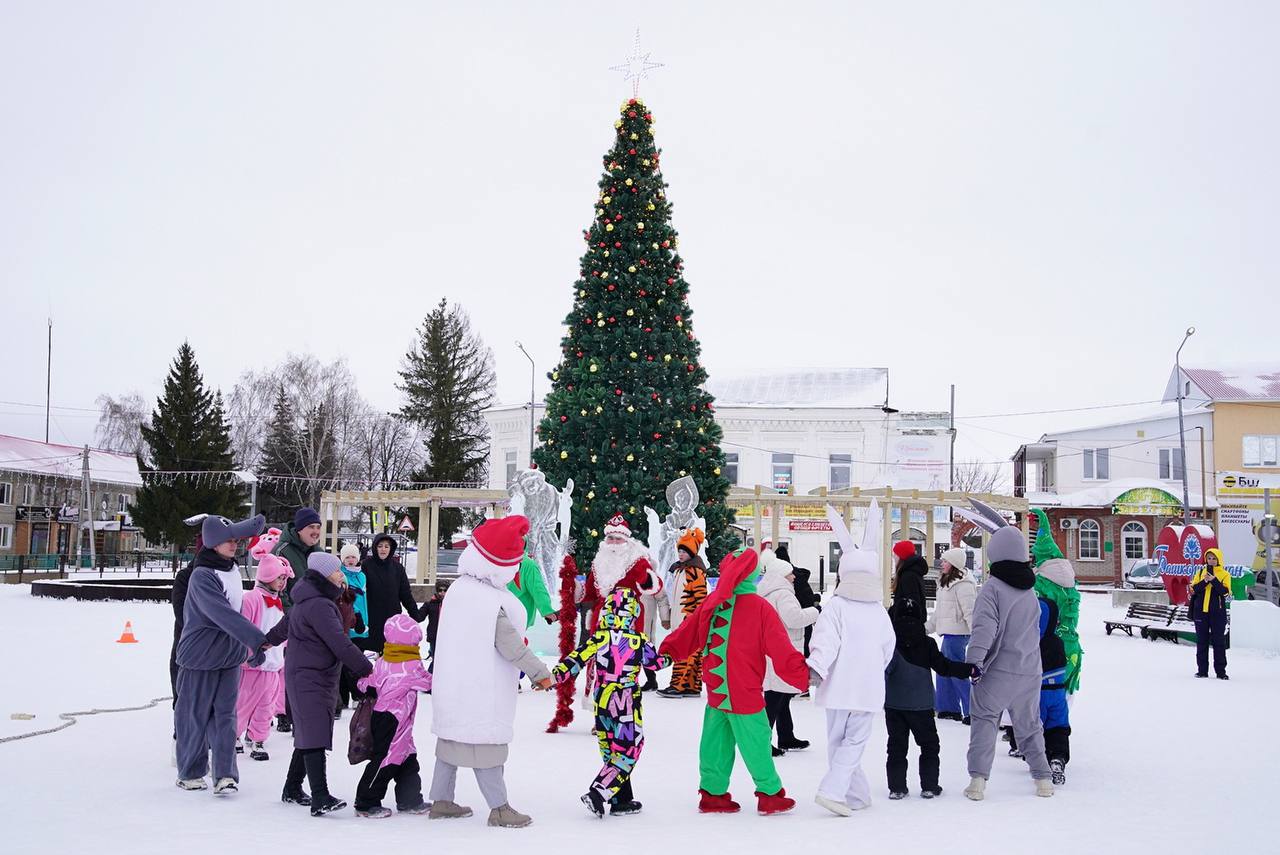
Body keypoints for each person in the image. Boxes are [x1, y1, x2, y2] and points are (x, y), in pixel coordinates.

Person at [660, 548, 809, 816]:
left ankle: (713, 793)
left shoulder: (714, 602)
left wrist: (668, 651)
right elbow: (780, 648)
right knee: (757, 742)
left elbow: (687, 631)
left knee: (715, 743)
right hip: (744, 690)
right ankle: (770, 794)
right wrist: (802, 674)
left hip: (717, 689)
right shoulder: (759, 607)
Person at [429, 515, 552, 829]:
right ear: (500, 565)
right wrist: (540, 672)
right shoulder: (488, 601)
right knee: (485, 748)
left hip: (453, 686)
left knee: (450, 744)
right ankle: (499, 808)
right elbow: (510, 645)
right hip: (481, 690)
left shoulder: (459, 589)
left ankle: (442, 801)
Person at [174, 514, 279, 795]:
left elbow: (238, 613)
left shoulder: (232, 570)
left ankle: (225, 774)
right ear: (212, 543)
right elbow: (220, 614)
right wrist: (257, 640)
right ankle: (190, 771)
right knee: (194, 715)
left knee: (226, 717)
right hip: (200, 655)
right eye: (228, 540)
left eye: (235, 540)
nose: (234, 545)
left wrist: (250, 648)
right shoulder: (202, 576)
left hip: (230, 654)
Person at [960, 501, 1054, 801]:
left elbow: (984, 628)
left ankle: (977, 781)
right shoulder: (1030, 590)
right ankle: (1043, 779)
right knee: (1029, 727)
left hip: (998, 671)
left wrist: (973, 661)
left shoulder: (993, 588)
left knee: (985, 722)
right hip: (1029, 670)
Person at [552, 588, 672, 817]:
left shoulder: (600, 637)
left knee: (611, 750)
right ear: (633, 612)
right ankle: (599, 792)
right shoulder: (638, 640)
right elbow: (656, 664)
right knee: (629, 749)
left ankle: (621, 800)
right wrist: (671, 655)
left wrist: (556, 675)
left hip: (603, 699)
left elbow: (576, 658)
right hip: (626, 701)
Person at [806, 517, 897, 817]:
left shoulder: (836, 607)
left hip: (839, 685)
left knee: (837, 741)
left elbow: (825, 640)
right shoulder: (878, 611)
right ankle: (837, 792)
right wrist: (873, 668)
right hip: (868, 687)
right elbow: (888, 647)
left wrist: (817, 666)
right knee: (855, 741)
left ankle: (853, 794)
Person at [281, 552, 374, 817]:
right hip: (310, 676)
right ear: (324, 575)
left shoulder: (310, 599)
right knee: (315, 734)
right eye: (336, 571)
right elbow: (340, 643)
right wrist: (368, 670)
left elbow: (282, 628)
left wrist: (262, 642)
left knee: (309, 732)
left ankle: (292, 788)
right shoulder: (320, 605)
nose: (341, 574)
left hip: (312, 674)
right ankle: (320, 796)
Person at [885, 619, 975, 799]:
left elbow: (880, 670)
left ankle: (897, 788)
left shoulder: (889, 643)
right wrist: (969, 670)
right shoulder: (927, 643)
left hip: (894, 704)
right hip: (922, 705)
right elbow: (944, 667)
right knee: (929, 745)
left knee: (896, 746)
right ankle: (929, 786)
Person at [353, 614, 433, 818]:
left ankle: (410, 799)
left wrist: (363, 685)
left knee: (407, 757)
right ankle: (366, 801)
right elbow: (429, 683)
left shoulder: (384, 660)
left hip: (386, 717)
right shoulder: (412, 666)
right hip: (394, 720)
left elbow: (369, 682)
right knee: (387, 759)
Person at [235, 532, 293, 762]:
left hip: (273, 665)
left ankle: (258, 739)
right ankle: (233, 736)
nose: (282, 582)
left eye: (284, 579)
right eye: (279, 578)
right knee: (242, 704)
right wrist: (248, 654)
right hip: (252, 666)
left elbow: (282, 632)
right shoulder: (251, 599)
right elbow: (243, 629)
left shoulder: (279, 604)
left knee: (266, 707)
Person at [756, 549, 819, 756]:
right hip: (784, 650)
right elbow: (794, 619)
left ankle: (786, 735)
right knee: (775, 698)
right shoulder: (783, 594)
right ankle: (762, 741)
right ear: (782, 575)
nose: (794, 576)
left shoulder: (768, 592)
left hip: (774, 651)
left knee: (781, 697)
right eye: (791, 573)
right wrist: (815, 611)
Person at [272, 507, 323, 733]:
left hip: (313, 619)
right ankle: (283, 713)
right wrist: (292, 615)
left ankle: (301, 713)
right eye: (311, 527)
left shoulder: (317, 552)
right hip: (289, 619)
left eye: (318, 528)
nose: (315, 532)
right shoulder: (282, 550)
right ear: (299, 529)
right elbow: (277, 586)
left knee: (305, 670)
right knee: (286, 668)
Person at [1030, 509, 1083, 695]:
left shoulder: (1041, 582)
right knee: (1063, 695)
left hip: (1046, 647)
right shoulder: (1069, 581)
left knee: (1044, 693)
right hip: (1070, 644)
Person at [657, 529, 709, 698]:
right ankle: (692, 685)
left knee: (683, 651)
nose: (680, 554)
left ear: (692, 552)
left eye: (684, 551)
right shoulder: (681, 570)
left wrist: (693, 618)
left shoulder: (695, 571)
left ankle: (677, 685)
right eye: (679, 551)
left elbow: (700, 596)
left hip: (688, 619)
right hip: (680, 618)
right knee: (692, 652)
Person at [928, 546, 976, 723]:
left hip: (958, 635)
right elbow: (939, 614)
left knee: (957, 672)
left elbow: (970, 612)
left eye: (946, 560)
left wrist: (977, 635)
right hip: (948, 634)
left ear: (954, 564)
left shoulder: (963, 585)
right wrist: (925, 628)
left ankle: (971, 710)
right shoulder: (946, 583)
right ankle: (948, 708)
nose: (942, 563)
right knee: (943, 670)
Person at [360, 533, 426, 654]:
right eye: (380, 546)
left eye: (386, 546)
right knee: (366, 653)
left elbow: (405, 594)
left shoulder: (398, 568)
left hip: (392, 619)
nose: (383, 549)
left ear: (391, 549)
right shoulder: (366, 565)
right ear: (375, 547)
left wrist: (415, 613)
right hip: (371, 618)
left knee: (390, 655)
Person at [1036, 595, 1071, 786]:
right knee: (1058, 727)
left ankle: (1039, 760)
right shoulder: (1057, 642)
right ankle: (1058, 757)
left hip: (1037, 694)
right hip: (1058, 693)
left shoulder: (1031, 642)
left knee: (1035, 728)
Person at [1190, 547, 1232, 680]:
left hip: (1217, 613)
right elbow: (1194, 589)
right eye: (1209, 558)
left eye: (1214, 558)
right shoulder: (1200, 572)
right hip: (1201, 613)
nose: (1211, 561)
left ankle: (1221, 672)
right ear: (1206, 559)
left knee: (1219, 642)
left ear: (1219, 559)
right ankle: (1202, 671)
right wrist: (1205, 581)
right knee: (1201, 642)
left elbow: (1225, 592)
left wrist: (1214, 580)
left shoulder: (1225, 574)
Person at [336, 544, 369, 713]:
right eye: (347, 557)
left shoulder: (362, 576)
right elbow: (347, 600)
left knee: (357, 660)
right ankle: (345, 696)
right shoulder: (341, 575)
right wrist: (356, 616)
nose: (350, 560)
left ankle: (357, 694)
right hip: (348, 623)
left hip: (362, 626)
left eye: (353, 557)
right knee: (344, 663)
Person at [777, 544, 819, 657]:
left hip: (800, 622)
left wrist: (813, 611)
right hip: (802, 622)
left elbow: (795, 617)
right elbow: (808, 597)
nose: (793, 577)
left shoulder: (781, 586)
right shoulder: (795, 579)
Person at [889, 540, 928, 625]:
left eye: (895, 554)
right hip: (908, 623)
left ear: (901, 556)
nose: (893, 557)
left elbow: (912, 603)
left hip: (907, 625)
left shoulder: (908, 576)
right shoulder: (911, 573)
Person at [423, 579, 450, 660]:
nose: (442, 592)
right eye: (440, 590)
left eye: (445, 590)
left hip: (447, 636)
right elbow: (419, 616)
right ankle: (430, 672)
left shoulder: (452, 605)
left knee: (445, 659)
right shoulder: (430, 604)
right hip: (434, 636)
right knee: (436, 659)